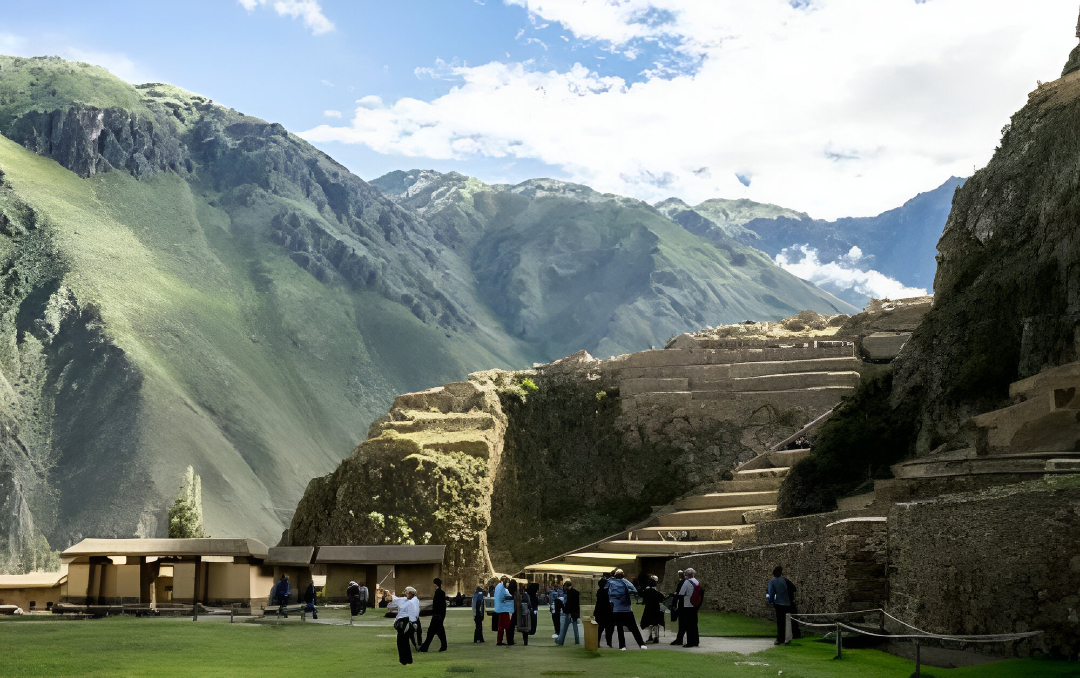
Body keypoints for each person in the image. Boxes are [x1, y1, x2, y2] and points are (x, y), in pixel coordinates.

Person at [606, 569, 647, 650]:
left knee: (620, 629)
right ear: (623, 575)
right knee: (634, 628)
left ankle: (622, 646)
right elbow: (634, 591)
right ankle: (641, 644)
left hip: (616, 609)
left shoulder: (610, 583)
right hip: (627, 609)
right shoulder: (625, 582)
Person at [766, 565, 797, 645]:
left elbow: (771, 593)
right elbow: (794, 589)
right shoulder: (785, 580)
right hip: (787, 604)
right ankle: (790, 637)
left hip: (779, 604)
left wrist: (772, 602)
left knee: (780, 623)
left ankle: (780, 639)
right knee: (788, 622)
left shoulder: (773, 581)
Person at [392, 587, 421, 666]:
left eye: (407, 593)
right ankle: (408, 659)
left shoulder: (411, 602)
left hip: (406, 622)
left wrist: (412, 623)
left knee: (401, 642)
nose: (406, 595)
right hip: (407, 622)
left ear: (411, 594)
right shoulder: (412, 601)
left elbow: (411, 613)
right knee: (404, 642)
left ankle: (404, 660)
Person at [420, 578, 448, 652]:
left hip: (437, 616)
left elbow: (438, 605)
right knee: (438, 631)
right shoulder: (441, 592)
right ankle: (442, 645)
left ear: (435, 584)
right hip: (439, 616)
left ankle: (425, 647)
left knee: (432, 632)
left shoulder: (438, 593)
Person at [677, 568, 701, 648]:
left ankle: (689, 642)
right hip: (695, 605)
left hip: (687, 605)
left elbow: (681, 593)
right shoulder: (696, 581)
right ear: (693, 574)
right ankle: (696, 641)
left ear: (686, 575)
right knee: (694, 624)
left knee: (688, 624)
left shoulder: (687, 582)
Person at [639, 576, 666, 644]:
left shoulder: (646, 591)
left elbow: (644, 600)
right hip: (656, 608)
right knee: (655, 623)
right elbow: (662, 598)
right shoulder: (656, 592)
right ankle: (656, 637)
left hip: (648, 608)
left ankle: (649, 636)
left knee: (647, 623)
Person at [556, 580, 580, 646]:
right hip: (575, 612)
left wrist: (565, 609)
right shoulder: (576, 592)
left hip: (569, 612)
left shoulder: (569, 593)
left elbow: (569, 603)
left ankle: (561, 641)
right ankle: (577, 641)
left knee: (564, 628)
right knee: (575, 628)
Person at [493, 576, 514, 646]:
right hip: (503, 609)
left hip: (500, 609)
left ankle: (500, 640)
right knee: (506, 625)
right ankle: (507, 640)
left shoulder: (498, 587)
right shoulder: (502, 588)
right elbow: (505, 596)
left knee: (501, 626)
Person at [595, 574, 614, 648]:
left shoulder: (599, 592)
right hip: (608, 613)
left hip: (600, 613)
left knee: (600, 629)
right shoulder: (608, 592)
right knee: (609, 629)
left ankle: (598, 642)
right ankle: (609, 643)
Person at [669, 570, 684, 645]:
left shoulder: (683, 582)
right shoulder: (685, 582)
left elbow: (680, 593)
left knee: (682, 623)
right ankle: (679, 639)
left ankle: (679, 639)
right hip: (684, 604)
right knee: (683, 624)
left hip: (682, 604)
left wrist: (674, 595)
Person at [515, 581, 531, 646]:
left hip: (521, 613)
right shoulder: (525, 595)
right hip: (525, 613)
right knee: (525, 628)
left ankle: (525, 641)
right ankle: (525, 641)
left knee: (523, 627)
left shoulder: (518, 595)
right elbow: (529, 604)